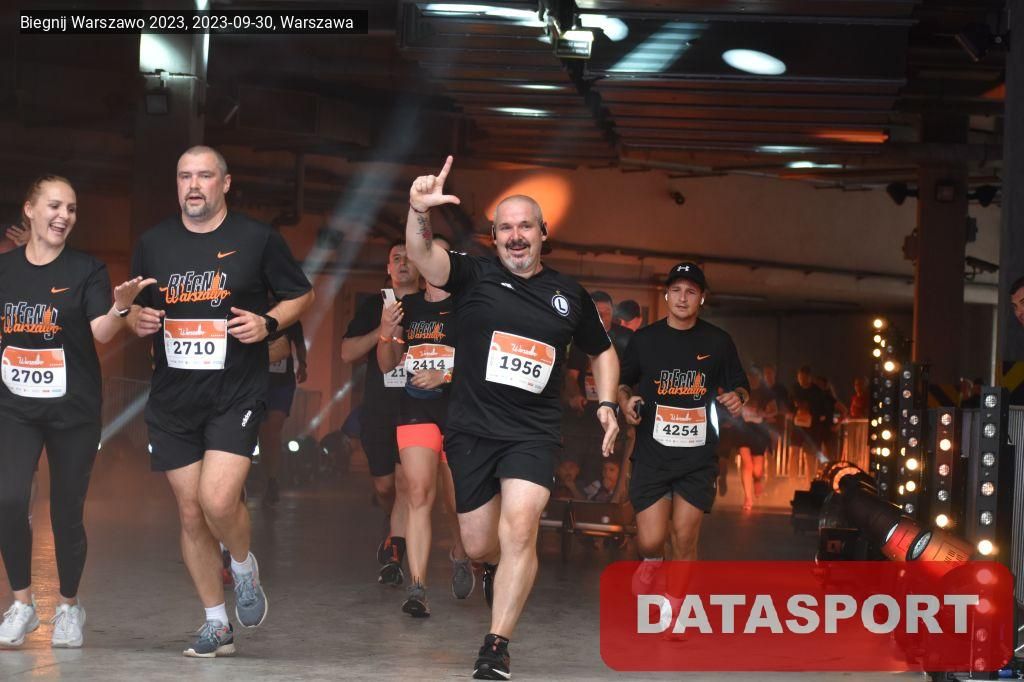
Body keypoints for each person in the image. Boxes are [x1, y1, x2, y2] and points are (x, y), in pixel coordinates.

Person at [404, 156, 619, 680]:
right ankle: (491, 568)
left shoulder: (569, 295)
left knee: (521, 527)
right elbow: (422, 256)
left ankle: (496, 645)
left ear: (544, 234)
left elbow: (603, 351)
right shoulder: (473, 274)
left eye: (526, 226)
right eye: (505, 228)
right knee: (480, 543)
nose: (516, 236)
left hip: (533, 433)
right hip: (472, 429)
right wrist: (418, 211)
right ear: (495, 237)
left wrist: (607, 404)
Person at [127, 146, 314, 658]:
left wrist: (269, 322)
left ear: (225, 183)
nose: (193, 185)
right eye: (184, 176)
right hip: (173, 400)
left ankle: (243, 564)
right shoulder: (153, 243)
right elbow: (135, 311)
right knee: (191, 514)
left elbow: (302, 294)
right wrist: (136, 319)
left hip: (236, 393)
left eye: (204, 176)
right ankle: (216, 624)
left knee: (216, 500)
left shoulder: (256, 238)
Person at [0, 176, 150, 648]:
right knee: (7, 499)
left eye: (71, 208)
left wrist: (120, 309)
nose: (63, 215)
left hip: (73, 410)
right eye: (54, 206)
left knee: (66, 511)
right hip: (14, 408)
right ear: (30, 210)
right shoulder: (5, 270)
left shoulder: (87, 269)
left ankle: (68, 607)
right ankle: (22, 605)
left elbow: (101, 331)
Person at [618, 262, 747, 594]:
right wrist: (625, 402)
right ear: (666, 295)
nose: (682, 298)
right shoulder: (645, 340)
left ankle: (674, 608)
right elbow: (623, 383)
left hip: (697, 458)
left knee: (685, 538)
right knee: (650, 540)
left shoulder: (718, 342)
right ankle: (652, 560)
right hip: (652, 455)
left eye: (691, 291)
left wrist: (738, 397)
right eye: (675, 290)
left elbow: (740, 384)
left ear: (701, 298)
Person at [377, 235, 474, 618]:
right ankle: (417, 587)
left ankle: (460, 552)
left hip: (461, 412)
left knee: (455, 502)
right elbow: (387, 363)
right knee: (418, 493)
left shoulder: (470, 306)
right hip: (416, 408)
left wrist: (445, 374)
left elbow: (485, 364)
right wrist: (386, 330)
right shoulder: (409, 307)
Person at [341, 242, 421, 586]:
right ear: (388, 268)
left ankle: (395, 554)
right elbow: (347, 353)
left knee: (405, 484)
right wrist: (383, 329)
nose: (403, 263)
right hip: (379, 408)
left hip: (417, 408)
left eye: (409, 258)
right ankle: (395, 529)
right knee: (385, 486)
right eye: (396, 259)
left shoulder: (431, 304)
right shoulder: (375, 306)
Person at [260, 316, 307, 506]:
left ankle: (272, 480)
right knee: (262, 434)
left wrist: (303, 364)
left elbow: (300, 344)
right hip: (257, 383)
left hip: (282, 384)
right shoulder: (255, 311)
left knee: (273, 430)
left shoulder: (292, 318)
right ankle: (265, 479)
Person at [736, 367, 776, 511]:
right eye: (749, 378)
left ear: (759, 378)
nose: (751, 380)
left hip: (759, 432)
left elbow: (774, 410)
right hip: (744, 429)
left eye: (754, 377)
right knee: (747, 464)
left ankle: (758, 479)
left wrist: (763, 413)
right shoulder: (741, 391)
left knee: (757, 469)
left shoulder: (766, 393)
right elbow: (732, 407)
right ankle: (748, 497)